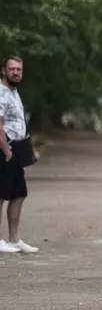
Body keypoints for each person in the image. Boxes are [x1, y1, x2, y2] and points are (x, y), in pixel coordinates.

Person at [0, 56, 38, 254]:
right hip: (4, 149)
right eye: (12, 69)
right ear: (3, 71)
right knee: (0, 194)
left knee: (18, 194)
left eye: (19, 69)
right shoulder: (1, 93)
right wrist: (6, 151)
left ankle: (14, 239)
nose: (15, 72)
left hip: (16, 151)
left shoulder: (14, 92)